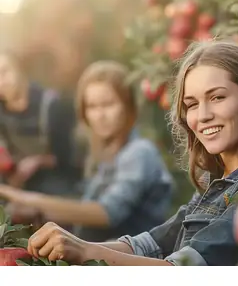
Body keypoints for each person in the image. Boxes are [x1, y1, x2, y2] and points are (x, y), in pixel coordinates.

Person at [17, 41, 238, 266]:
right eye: (191, 104)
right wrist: (75, 246)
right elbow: (150, 244)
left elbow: (186, 270)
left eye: (217, 98)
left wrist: (86, 251)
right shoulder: (211, 184)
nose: (202, 115)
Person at [0, 60, 175, 242]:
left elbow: (106, 213)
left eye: (108, 104)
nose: (99, 115)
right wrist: (36, 211)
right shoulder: (103, 155)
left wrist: (26, 199)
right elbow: (83, 205)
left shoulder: (140, 152)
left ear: (128, 105)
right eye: (92, 106)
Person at [0, 49, 81, 198]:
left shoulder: (53, 105)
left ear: (20, 69)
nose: (1, 82)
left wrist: (37, 161)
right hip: (17, 183)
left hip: (56, 183)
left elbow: (70, 157)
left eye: (4, 72)